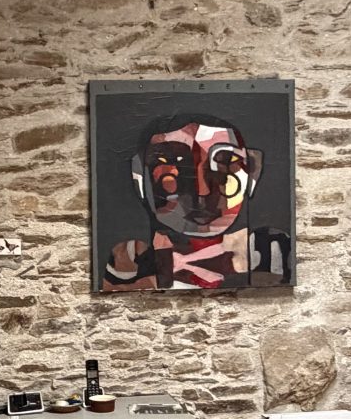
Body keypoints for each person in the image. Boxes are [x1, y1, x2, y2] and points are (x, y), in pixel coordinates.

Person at [103, 115, 290, 291]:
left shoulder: (268, 248)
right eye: (170, 161)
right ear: (139, 176)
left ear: (253, 172)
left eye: (226, 160)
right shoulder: (130, 257)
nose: (202, 191)